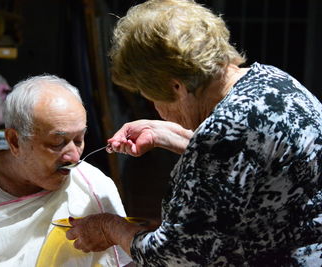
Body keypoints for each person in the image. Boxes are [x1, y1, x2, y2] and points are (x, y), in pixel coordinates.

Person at [65, 0, 322, 266]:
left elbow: (176, 255)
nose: (157, 111)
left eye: (152, 98)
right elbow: (251, 164)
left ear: (177, 87)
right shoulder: (273, 81)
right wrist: (171, 135)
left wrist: (109, 228)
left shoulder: (225, 134)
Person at [0, 74, 132, 266]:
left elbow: (124, 262)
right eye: (57, 143)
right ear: (14, 141)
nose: (74, 157)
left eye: (79, 139)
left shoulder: (93, 188)